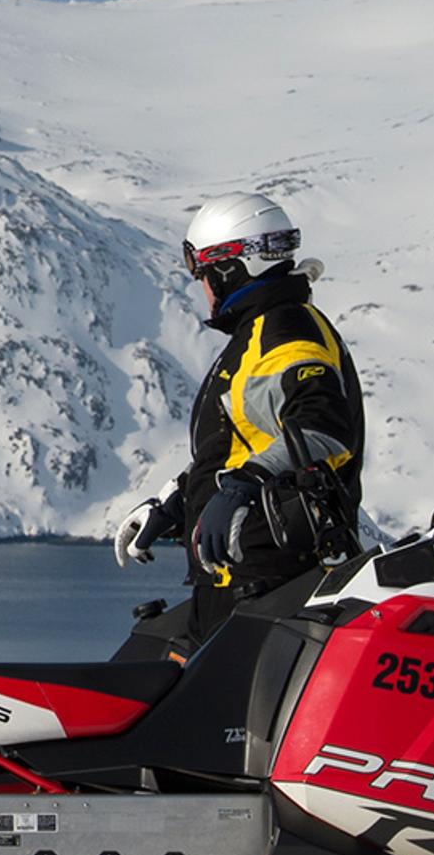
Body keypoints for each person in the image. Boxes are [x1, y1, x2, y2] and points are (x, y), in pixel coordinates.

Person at [109, 192, 366, 640]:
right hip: (241, 575)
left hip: (270, 580)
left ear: (230, 269)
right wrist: (177, 504)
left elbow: (322, 426)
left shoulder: (284, 332)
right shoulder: (261, 333)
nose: (203, 289)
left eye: (204, 275)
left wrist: (243, 487)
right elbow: (241, 443)